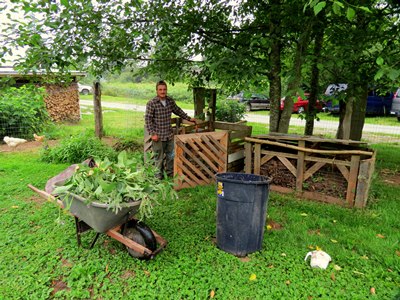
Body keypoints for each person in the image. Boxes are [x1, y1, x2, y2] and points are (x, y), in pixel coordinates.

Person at [145, 80, 196, 179]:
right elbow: (148, 119)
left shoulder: (170, 101)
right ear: (157, 91)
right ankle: (158, 177)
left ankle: (169, 174)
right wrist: (152, 133)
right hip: (158, 136)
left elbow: (178, 110)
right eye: (160, 89)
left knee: (171, 156)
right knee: (158, 157)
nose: (162, 91)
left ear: (166, 90)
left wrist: (189, 118)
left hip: (169, 134)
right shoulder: (152, 103)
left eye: (164, 89)